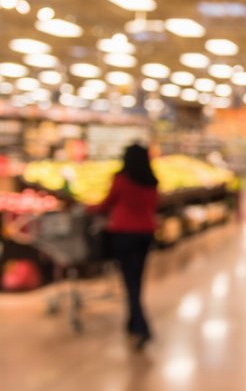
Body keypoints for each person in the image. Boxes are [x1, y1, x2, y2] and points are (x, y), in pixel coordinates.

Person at [89, 144, 158, 350]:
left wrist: (88, 209)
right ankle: (132, 323)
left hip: (123, 235)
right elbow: (154, 206)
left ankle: (140, 327)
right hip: (146, 233)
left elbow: (106, 204)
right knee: (137, 280)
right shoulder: (151, 181)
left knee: (130, 283)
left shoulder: (121, 179)